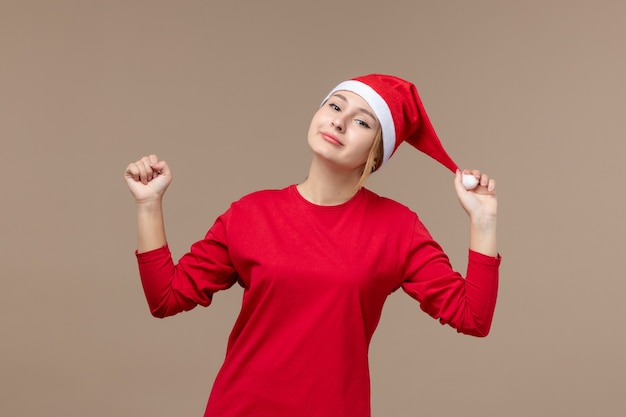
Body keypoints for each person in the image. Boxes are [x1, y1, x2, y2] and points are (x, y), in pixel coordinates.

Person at [124, 74, 501, 417]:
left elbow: (473, 318)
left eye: (362, 121)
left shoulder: (398, 228)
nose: (339, 120)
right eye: (335, 106)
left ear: (377, 151)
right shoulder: (250, 213)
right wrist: (148, 204)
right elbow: (166, 298)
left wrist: (483, 221)